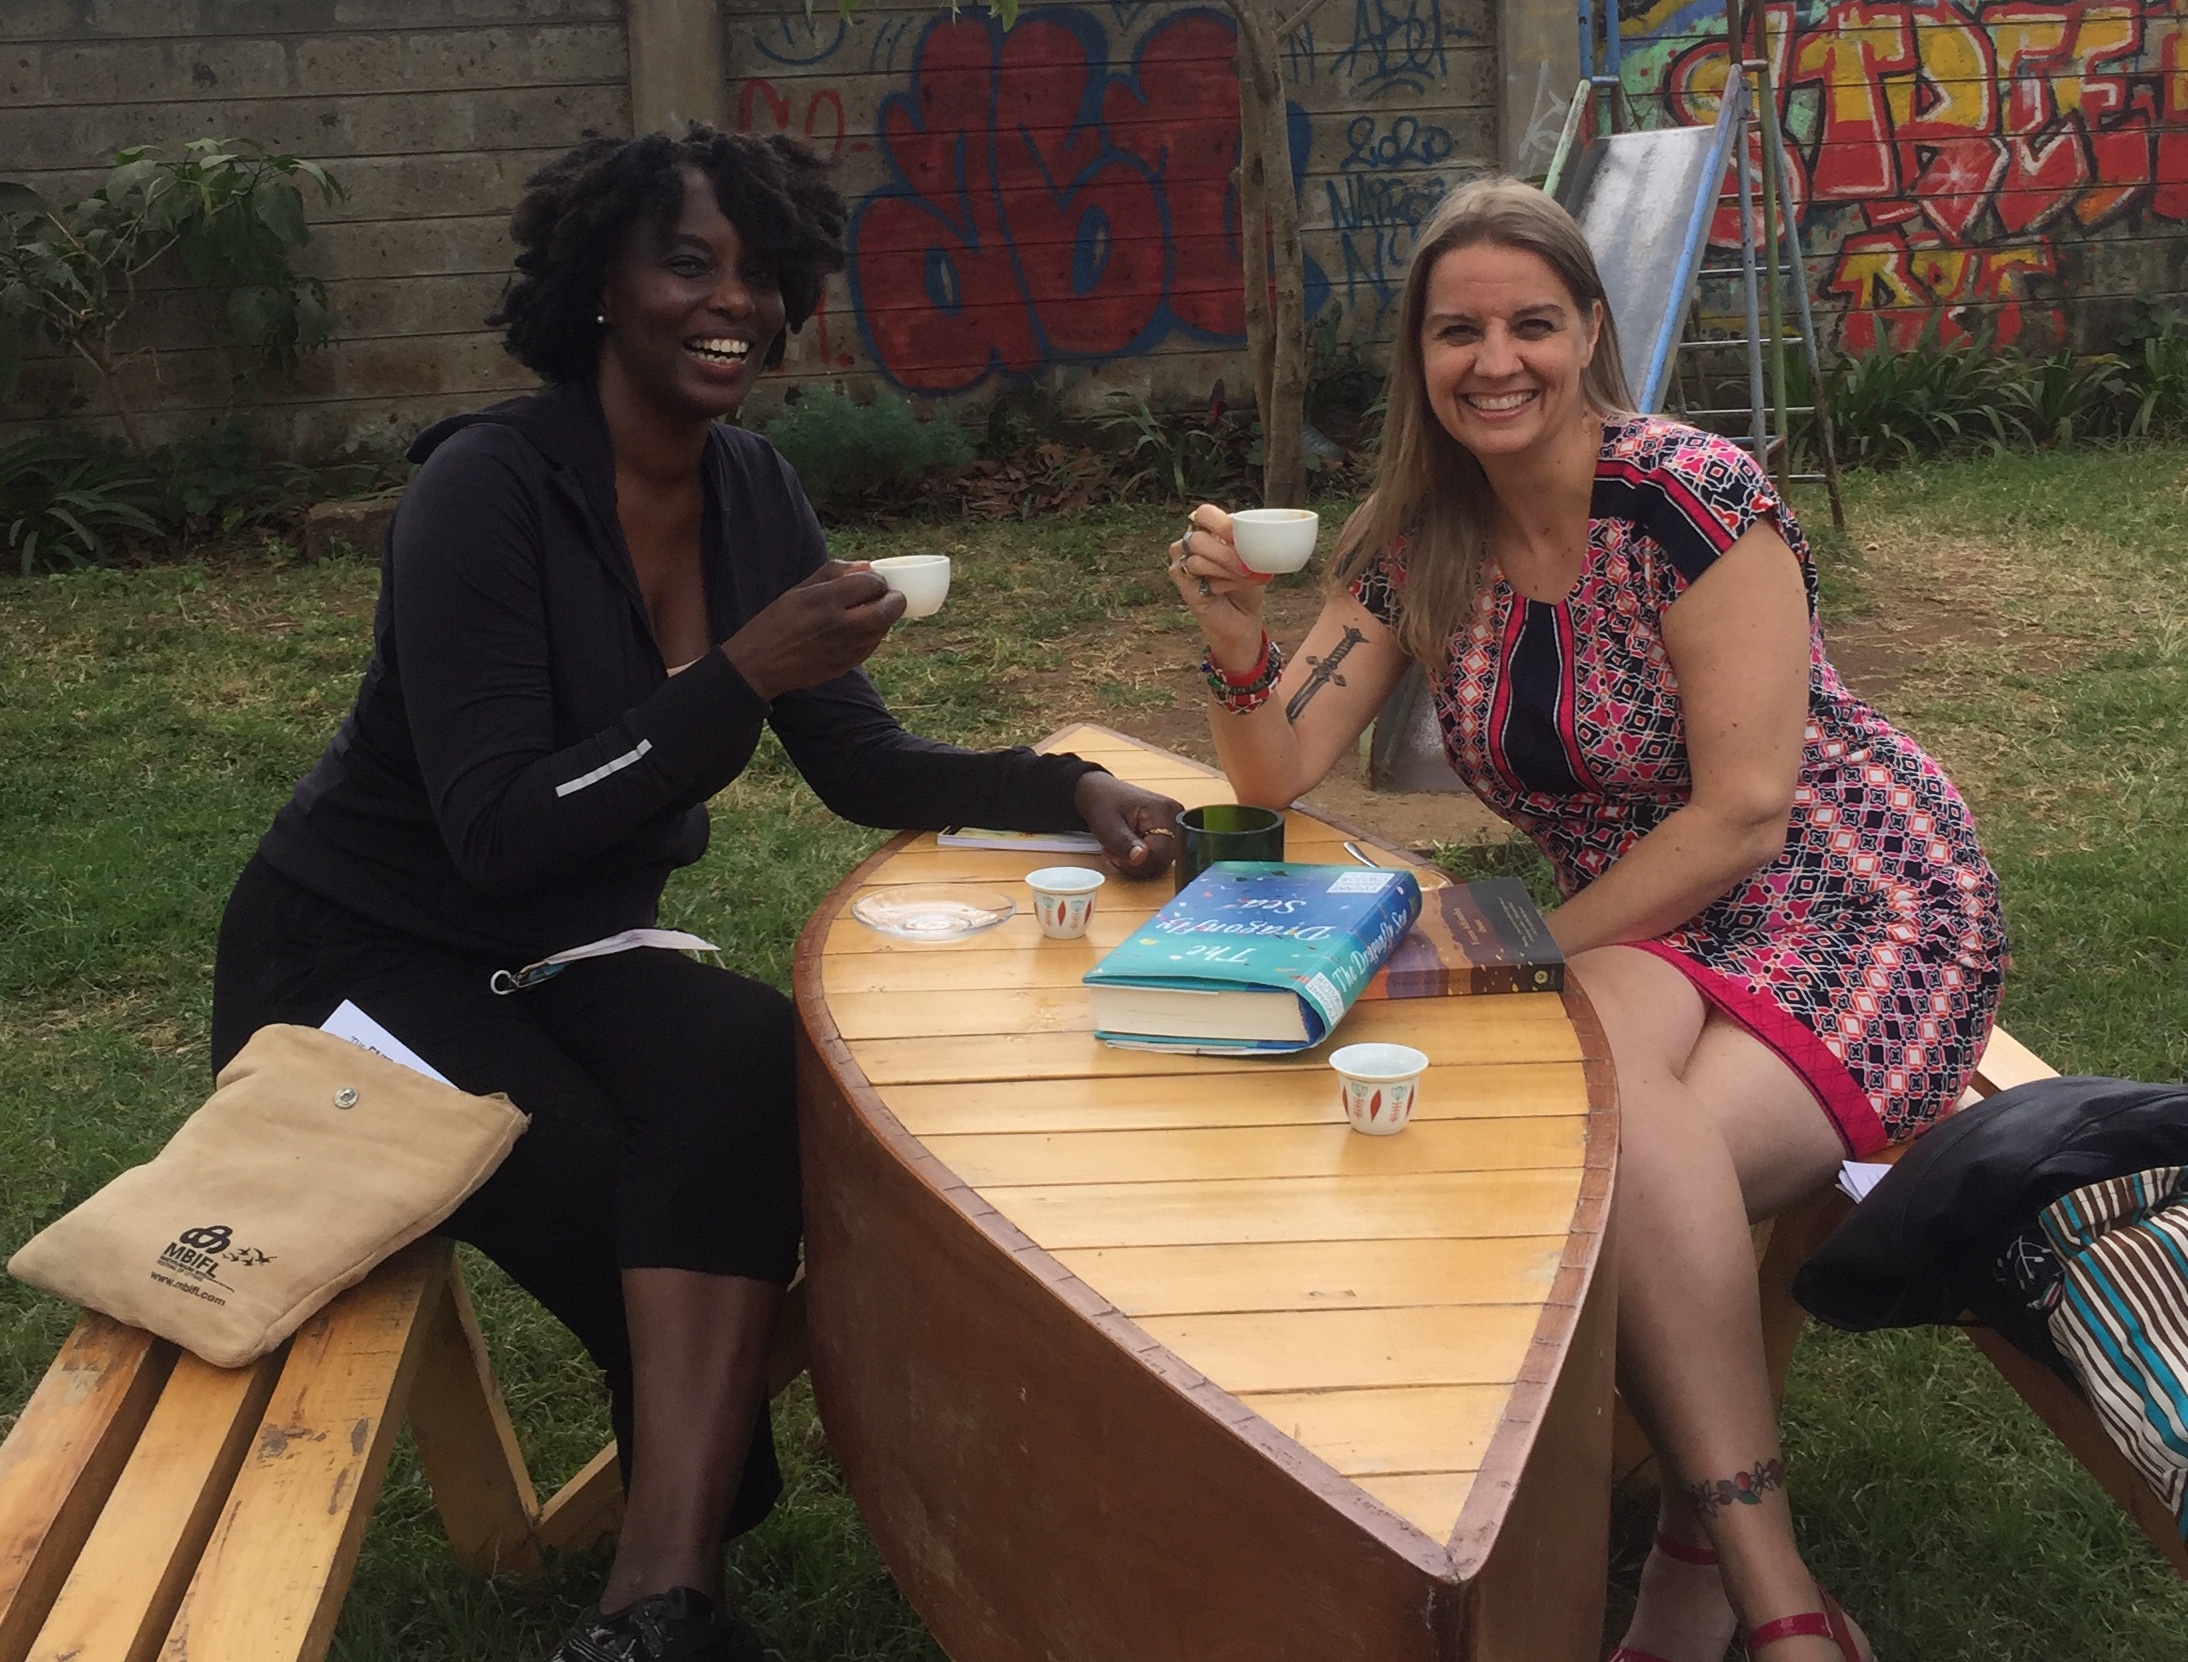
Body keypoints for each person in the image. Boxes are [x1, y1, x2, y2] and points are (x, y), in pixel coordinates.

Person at [209, 126, 1180, 1662]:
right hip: (354, 958)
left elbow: (855, 758)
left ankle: (658, 1604)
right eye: (688, 263)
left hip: (556, 943)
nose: (733, 302)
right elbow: (494, 829)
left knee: (745, 1060)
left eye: (762, 272)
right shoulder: (483, 495)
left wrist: (1061, 786)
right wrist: (737, 673)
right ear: (602, 283)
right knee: (609, 1183)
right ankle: (691, 1538)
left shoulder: (752, 490)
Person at [1164, 177, 2005, 1662]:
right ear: (1419, 356)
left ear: (1592, 334)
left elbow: (1745, 810)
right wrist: (1238, 641)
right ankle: (1742, 1577)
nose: (1498, 359)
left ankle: (1749, 1593)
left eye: (1533, 324)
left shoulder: (1692, 498)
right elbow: (1278, 762)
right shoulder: (1419, 533)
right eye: (1459, 329)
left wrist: (1508, 941)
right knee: (1600, 1129)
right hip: (1646, 922)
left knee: (1605, 1164)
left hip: (1849, 892)